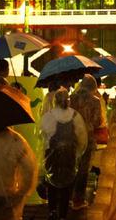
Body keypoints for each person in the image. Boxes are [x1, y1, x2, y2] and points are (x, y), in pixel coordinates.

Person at [40, 88, 87, 220]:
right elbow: (82, 138)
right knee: (67, 186)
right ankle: (63, 215)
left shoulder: (48, 116)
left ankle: (52, 211)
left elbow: (42, 137)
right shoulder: (75, 116)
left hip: (52, 156)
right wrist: (78, 152)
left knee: (51, 185)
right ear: (68, 101)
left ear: (55, 101)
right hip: (70, 156)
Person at [69, 74, 103, 210]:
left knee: (71, 166)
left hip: (72, 136)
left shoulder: (72, 98)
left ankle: (67, 197)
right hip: (88, 138)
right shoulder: (95, 101)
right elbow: (97, 121)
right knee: (83, 169)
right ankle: (78, 199)